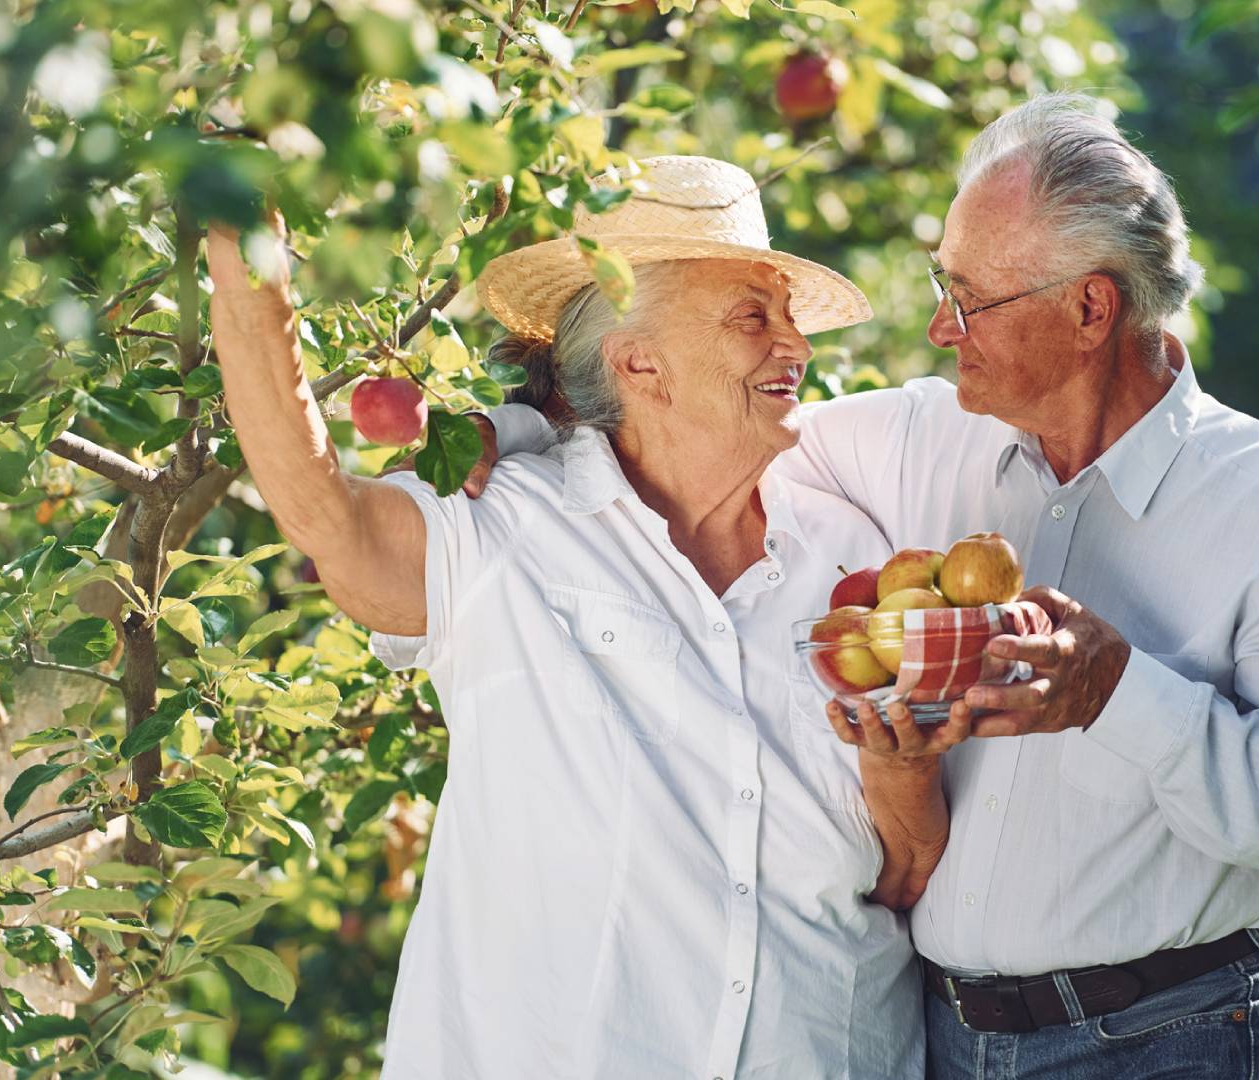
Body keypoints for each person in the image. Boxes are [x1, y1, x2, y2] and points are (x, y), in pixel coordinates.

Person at [485, 94, 1259, 1080]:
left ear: (1090, 309)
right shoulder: (916, 440)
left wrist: (1123, 694)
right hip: (949, 1040)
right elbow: (687, 433)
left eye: (970, 298)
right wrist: (520, 435)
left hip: (1175, 1036)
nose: (937, 327)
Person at [205, 155, 967, 1079]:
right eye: (752, 317)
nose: (795, 347)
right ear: (639, 359)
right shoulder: (502, 524)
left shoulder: (855, 556)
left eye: (791, 316)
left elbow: (900, 872)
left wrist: (904, 780)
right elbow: (325, 514)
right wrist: (244, 249)